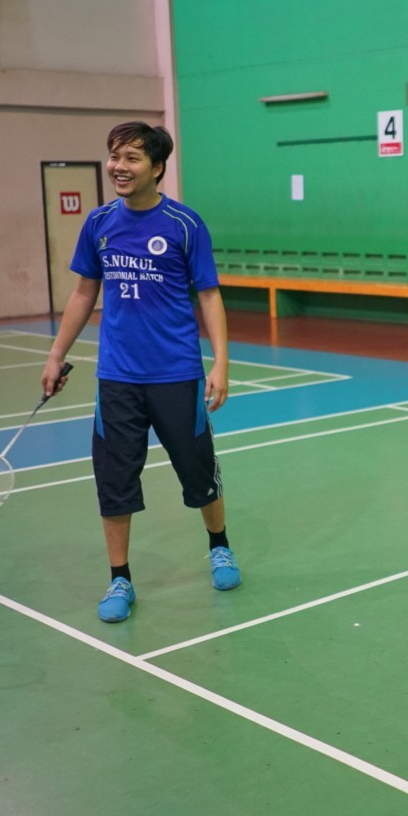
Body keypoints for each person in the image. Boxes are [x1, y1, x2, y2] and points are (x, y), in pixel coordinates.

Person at [42, 121, 240, 622]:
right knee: (114, 479)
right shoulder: (99, 223)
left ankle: (219, 545)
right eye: (114, 156)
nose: (118, 166)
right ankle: (120, 579)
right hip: (118, 377)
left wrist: (220, 363)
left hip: (176, 374)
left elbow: (209, 295)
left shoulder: (184, 224)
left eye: (131, 158)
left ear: (157, 167)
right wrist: (56, 353)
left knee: (198, 470)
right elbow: (84, 293)